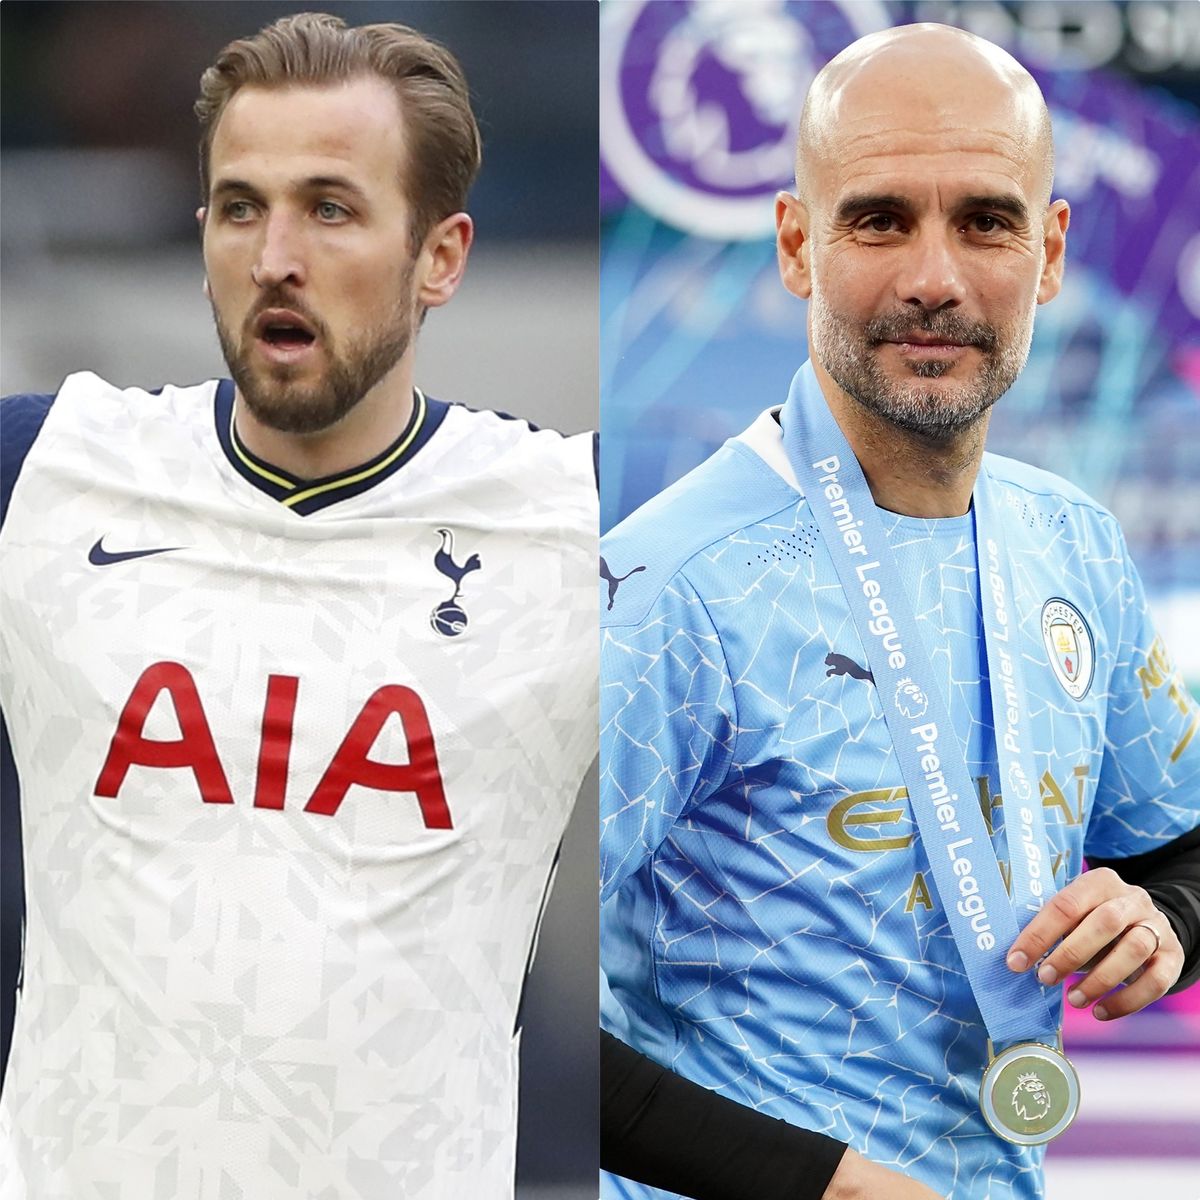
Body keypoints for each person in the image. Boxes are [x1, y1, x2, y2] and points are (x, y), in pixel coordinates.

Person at [0, 13, 597, 1199]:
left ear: (443, 255)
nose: (276, 252)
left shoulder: (578, 525)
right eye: (239, 205)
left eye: (330, 208)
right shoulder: (45, 471)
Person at [600, 22, 1200, 1200]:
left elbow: (1185, 838)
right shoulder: (669, 588)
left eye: (986, 220)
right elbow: (506, 995)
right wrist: (825, 1183)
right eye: (879, 220)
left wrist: (1166, 917)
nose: (935, 277)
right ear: (794, 245)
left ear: (1051, 253)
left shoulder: (1069, 540)